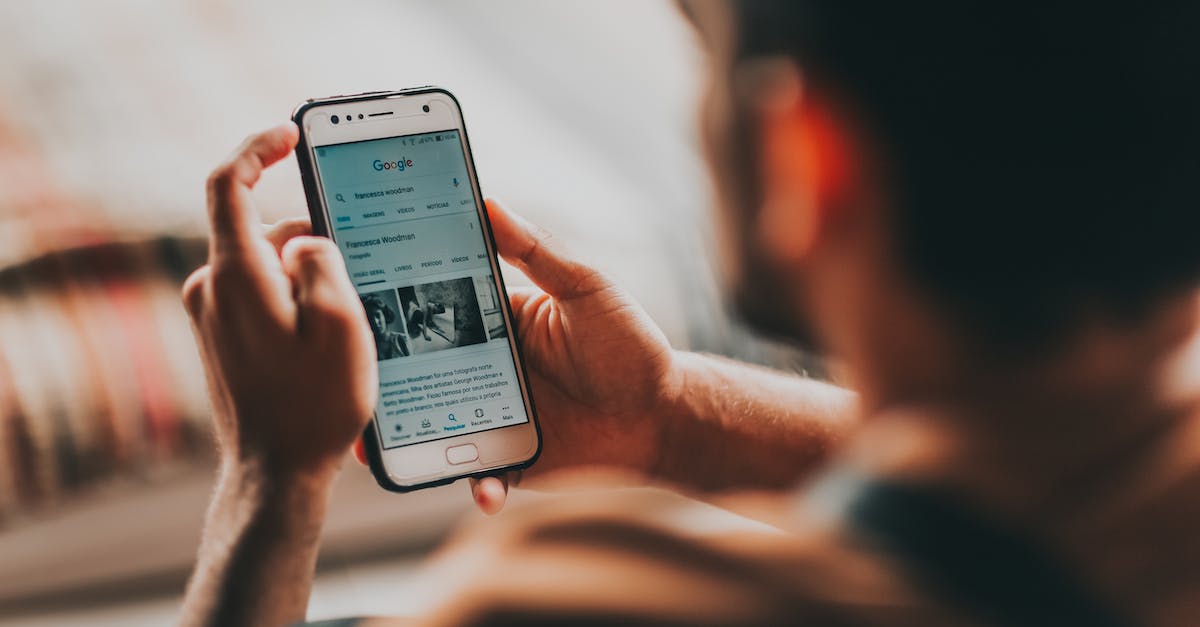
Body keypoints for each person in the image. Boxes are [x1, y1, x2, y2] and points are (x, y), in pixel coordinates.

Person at [178, 1, 1200, 625]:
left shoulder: (574, 603)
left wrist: (271, 483)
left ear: (809, 156)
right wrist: (667, 419)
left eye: (711, 70)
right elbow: (1033, 475)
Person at [362, 294, 409, 360]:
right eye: (369, 318)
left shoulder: (404, 340)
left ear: (384, 315)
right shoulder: (365, 349)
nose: (375, 322)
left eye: (378, 315)